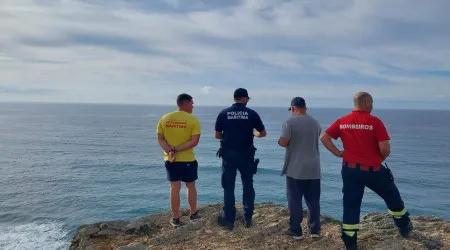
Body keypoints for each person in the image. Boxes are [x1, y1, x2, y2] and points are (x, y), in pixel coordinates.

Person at [320, 92, 413, 249]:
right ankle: (404, 226)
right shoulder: (375, 122)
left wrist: (338, 153)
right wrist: (378, 159)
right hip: (373, 170)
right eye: (371, 103)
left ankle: (350, 242)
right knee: (392, 196)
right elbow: (385, 148)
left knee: (351, 204)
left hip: (349, 170)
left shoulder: (342, 121)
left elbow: (324, 137)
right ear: (366, 103)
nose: (372, 106)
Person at [214, 88, 267, 230]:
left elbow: (217, 135)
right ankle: (247, 218)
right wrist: (252, 132)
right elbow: (262, 133)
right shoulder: (252, 113)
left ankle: (229, 219)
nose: (247, 101)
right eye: (247, 99)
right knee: (248, 185)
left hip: (229, 155)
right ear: (244, 99)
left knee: (228, 186)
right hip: (246, 155)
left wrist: (228, 135)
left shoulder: (223, 113)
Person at [278, 97, 322, 240]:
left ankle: (296, 231)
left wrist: (280, 141)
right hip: (314, 167)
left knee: (295, 200)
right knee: (313, 200)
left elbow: (284, 142)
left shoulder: (289, 122)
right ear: (305, 108)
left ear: (293, 108)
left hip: (296, 168)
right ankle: (315, 231)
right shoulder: (315, 123)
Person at [156, 93, 202, 227]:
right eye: (192, 103)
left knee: (174, 187)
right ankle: (193, 214)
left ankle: (176, 219)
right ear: (186, 103)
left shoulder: (164, 118)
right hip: (187, 159)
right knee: (190, 185)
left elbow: (160, 138)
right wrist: (177, 149)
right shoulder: (193, 120)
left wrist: (170, 151)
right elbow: (194, 142)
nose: (193, 106)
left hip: (170, 160)